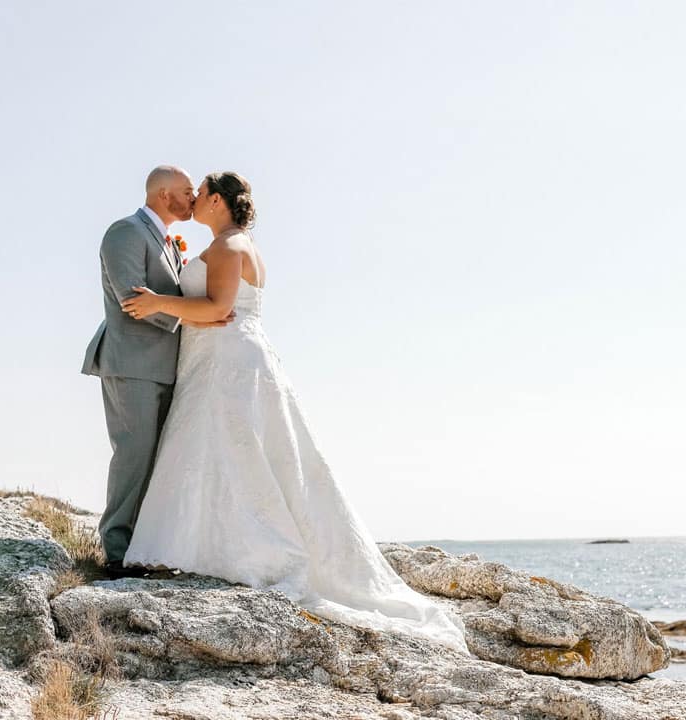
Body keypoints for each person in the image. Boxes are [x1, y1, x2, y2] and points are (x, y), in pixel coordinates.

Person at [119, 172, 468, 653]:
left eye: (201, 192)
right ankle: (207, 544)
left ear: (217, 200)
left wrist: (161, 301)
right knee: (241, 453)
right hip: (232, 355)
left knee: (230, 452)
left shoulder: (226, 248)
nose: (194, 199)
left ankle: (240, 550)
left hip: (225, 360)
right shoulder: (244, 245)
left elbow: (219, 307)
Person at [81, 166, 232, 578]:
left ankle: (143, 547)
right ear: (165, 195)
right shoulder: (125, 232)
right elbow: (133, 299)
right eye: (187, 192)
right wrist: (193, 318)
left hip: (167, 367)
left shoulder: (170, 242)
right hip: (131, 363)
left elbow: (164, 298)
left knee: (157, 459)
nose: (193, 199)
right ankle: (116, 552)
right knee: (133, 454)